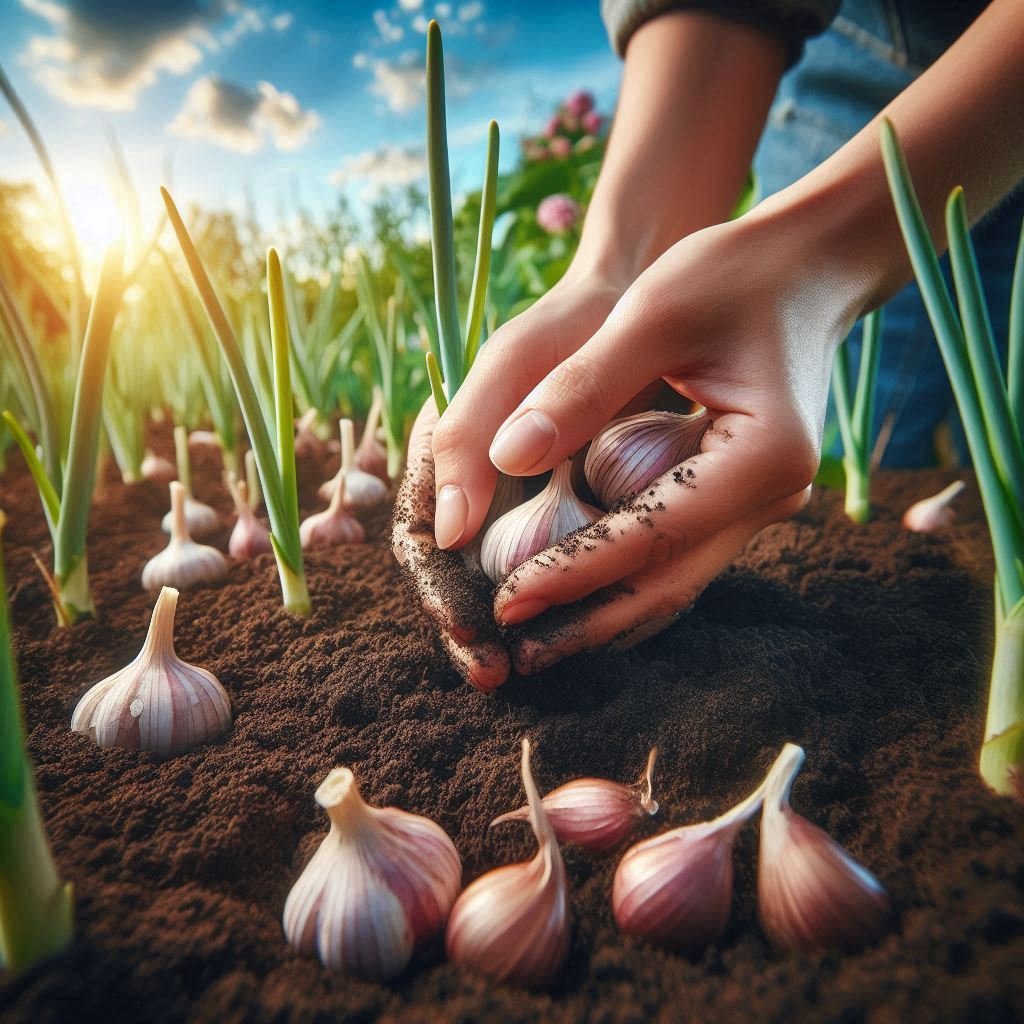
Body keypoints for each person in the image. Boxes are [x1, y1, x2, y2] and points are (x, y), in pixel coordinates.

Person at [392, 0, 1024, 691]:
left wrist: (818, 256)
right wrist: (621, 275)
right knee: (859, 426)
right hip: (869, 60)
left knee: (1004, 458)